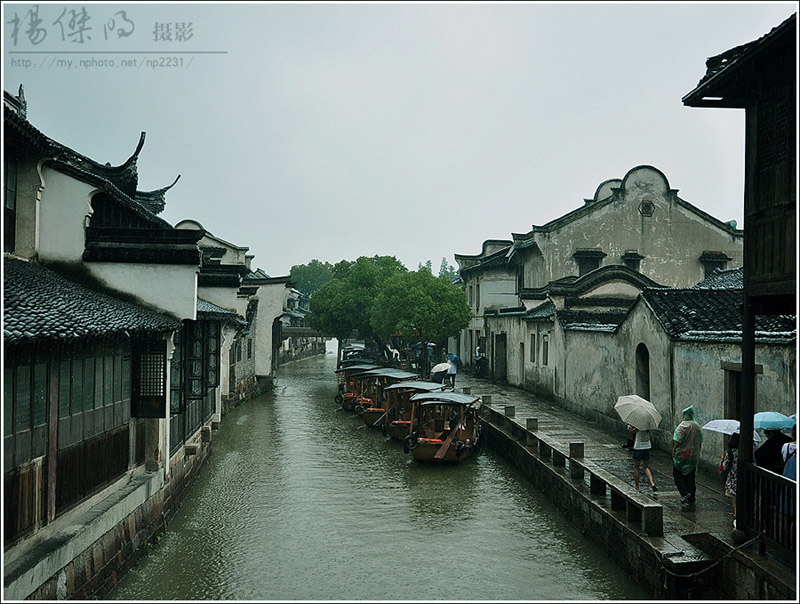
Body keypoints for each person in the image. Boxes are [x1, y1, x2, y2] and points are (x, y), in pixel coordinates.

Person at [672, 405, 704, 504]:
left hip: (682, 456)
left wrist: (674, 449)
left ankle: (685, 493)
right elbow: (700, 441)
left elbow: (678, 439)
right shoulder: (698, 427)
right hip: (693, 456)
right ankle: (692, 498)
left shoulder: (683, 426)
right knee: (690, 477)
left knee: (677, 474)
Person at [629, 424, 657, 492]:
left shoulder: (637, 424)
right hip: (647, 447)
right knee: (646, 467)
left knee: (636, 468)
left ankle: (637, 487)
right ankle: (652, 483)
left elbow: (631, 432)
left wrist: (633, 427)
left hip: (638, 447)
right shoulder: (648, 425)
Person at [720, 431, 739, 527]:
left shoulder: (730, 452)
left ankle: (736, 516)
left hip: (733, 479)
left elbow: (725, 466)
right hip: (743, 479)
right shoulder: (746, 451)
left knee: (735, 500)